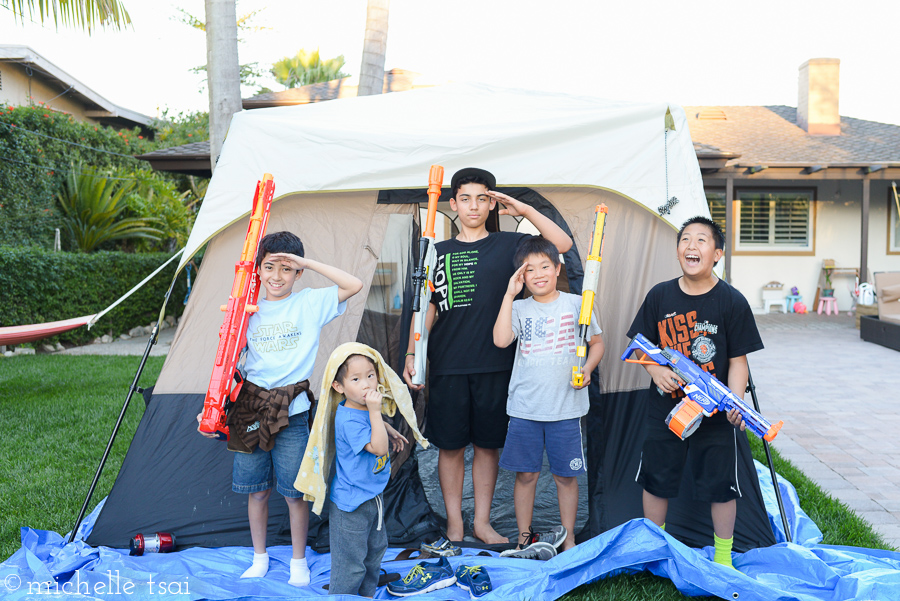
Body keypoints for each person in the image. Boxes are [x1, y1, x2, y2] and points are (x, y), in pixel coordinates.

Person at [402, 167, 572, 544]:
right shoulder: (436, 252)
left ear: (491, 202)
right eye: (465, 198)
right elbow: (426, 308)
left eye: (482, 198)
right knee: (449, 448)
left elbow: (561, 245)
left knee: (487, 446)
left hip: (497, 364)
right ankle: (455, 525)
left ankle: (481, 523)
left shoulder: (510, 246)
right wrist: (414, 351)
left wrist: (523, 210)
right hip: (447, 364)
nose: (474, 206)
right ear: (453, 204)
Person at [197, 231, 363, 586]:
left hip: (293, 410)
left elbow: (354, 284)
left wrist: (304, 260)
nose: (276, 275)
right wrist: (212, 408)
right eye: (269, 266)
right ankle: (259, 557)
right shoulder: (246, 309)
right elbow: (228, 365)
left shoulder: (309, 304)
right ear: (257, 269)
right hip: (250, 410)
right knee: (257, 490)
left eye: (287, 269)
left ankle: (298, 562)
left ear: (298, 274)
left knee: (294, 492)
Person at [626, 216, 763, 568]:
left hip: (715, 414)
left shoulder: (732, 301)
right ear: (677, 252)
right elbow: (641, 346)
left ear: (716, 254)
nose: (691, 246)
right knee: (657, 479)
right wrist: (656, 371)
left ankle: (722, 558)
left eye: (702, 240)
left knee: (721, 485)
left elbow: (737, 361)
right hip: (666, 410)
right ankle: (655, 551)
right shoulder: (660, 295)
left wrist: (736, 405)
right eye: (685, 239)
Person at [492, 236, 604, 555]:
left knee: (566, 477)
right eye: (530, 270)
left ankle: (568, 538)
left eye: (545, 266)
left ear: (557, 268)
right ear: (521, 277)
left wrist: (588, 369)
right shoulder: (518, 307)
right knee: (526, 475)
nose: (539, 274)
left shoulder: (576, 303)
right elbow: (501, 341)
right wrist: (509, 294)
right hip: (526, 408)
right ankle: (524, 537)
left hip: (566, 410)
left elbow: (597, 344)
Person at [326, 349, 409, 597]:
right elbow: (379, 448)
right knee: (350, 565)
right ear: (338, 386)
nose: (366, 384)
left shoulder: (360, 410)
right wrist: (377, 411)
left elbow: (369, 423)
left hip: (373, 497)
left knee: (374, 555)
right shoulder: (350, 419)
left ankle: (366, 596)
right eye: (356, 379)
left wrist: (385, 425)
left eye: (371, 376)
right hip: (351, 505)